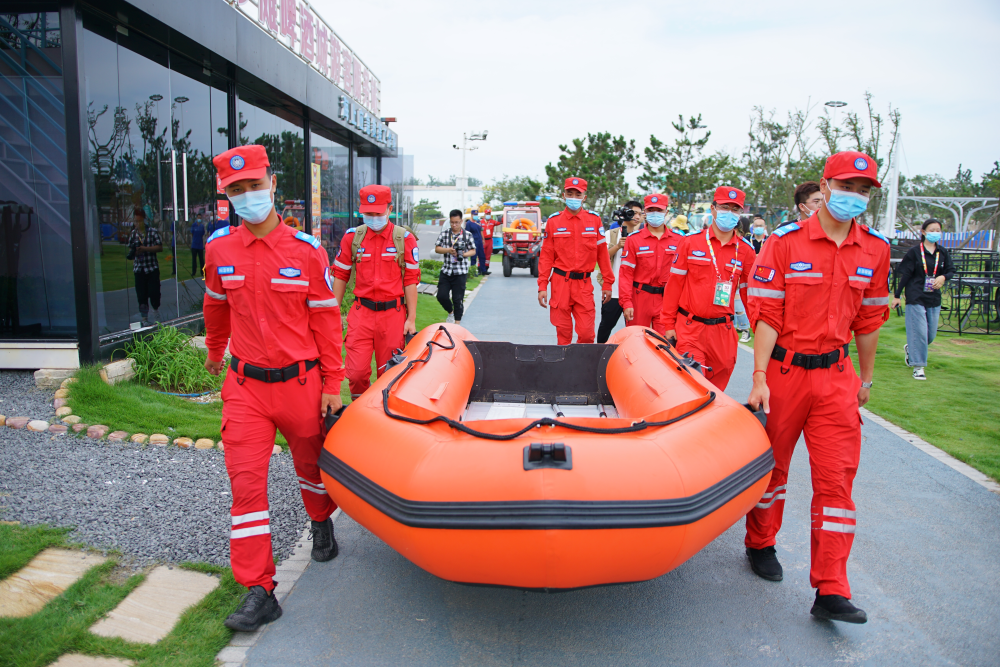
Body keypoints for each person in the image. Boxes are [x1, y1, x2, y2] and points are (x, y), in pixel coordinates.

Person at [743, 150, 891, 624]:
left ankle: (832, 586)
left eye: (864, 191)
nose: (855, 197)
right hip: (783, 373)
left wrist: (865, 379)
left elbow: (869, 320)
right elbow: (765, 314)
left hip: (836, 377)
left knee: (837, 480)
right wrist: (760, 377)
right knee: (772, 469)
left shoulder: (875, 249)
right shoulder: (784, 243)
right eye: (847, 187)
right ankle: (760, 542)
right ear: (824, 187)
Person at [203, 144, 343, 632]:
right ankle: (259, 589)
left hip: (300, 385)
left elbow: (326, 321)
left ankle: (321, 519)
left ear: (272, 185)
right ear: (227, 195)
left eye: (253, 186)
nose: (247, 196)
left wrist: (333, 381)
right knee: (246, 486)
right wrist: (215, 351)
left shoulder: (306, 251)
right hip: (244, 387)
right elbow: (215, 306)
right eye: (236, 190)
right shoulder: (219, 249)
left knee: (310, 466)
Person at [661, 186, 757, 390]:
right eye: (724, 207)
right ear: (713, 209)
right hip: (690, 329)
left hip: (724, 332)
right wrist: (668, 324)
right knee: (693, 386)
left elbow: (750, 295)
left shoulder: (747, 252)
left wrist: (759, 328)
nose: (729, 213)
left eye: (735, 209)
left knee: (716, 391)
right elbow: (674, 286)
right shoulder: (690, 243)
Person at [332, 184, 420, 397]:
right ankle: (360, 415)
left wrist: (412, 319)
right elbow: (341, 274)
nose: (373, 218)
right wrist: (333, 313)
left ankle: (384, 418)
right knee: (356, 373)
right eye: (367, 214)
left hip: (393, 316)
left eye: (378, 213)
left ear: (390, 209)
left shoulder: (404, 240)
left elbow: (410, 280)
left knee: (389, 374)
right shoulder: (352, 238)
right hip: (361, 314)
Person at [537, 177, 614, 344]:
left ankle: (582, 368)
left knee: (587, 335)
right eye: (569, 193)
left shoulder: (594, 221)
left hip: (584, 285)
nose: (573, 197)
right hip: (560, 284)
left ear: (584, 197)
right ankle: (564, 369)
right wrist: (542, 286)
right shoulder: (554, 221)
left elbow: (602, 254)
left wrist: (608, 283)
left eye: (577, 194)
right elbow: (546, 257)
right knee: (563, 334)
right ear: (563, 195)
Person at [892, 218, 955, 380]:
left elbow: (951, 270)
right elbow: (905, 275)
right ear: (924, 232)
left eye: (938, 230)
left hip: (933, 297)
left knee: (930, 335)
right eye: (932, 230)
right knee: (919, 332)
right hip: (915, 295)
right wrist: (897, 295)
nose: (935, 233)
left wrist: (943, 277)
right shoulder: (914, 252)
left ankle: (912, 348)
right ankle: (918, 367)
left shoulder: (942, 252)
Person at [618, 194, 684, 334]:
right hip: (640, 298)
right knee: (636, 341)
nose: (655, 213)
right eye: (651, 210)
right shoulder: (634, 240)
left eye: (659, 210)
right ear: (645, 213)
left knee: (665, 344)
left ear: (666, 212)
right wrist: (627, 302)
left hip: (666, 300)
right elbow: (626, 274)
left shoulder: (679, 240)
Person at [597, 200, 644, 343]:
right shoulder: (610, 234)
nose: (637, 217)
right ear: (625, 213)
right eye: (633, 213)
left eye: (640, 214)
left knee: (636, 331)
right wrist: (618, 246)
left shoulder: (642, 236)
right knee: (605, 327)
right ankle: (599, 355)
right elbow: (601, 258)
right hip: (613, 291)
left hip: (633, 293)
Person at [435, 210, 478, 325]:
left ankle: (457, 324)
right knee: (441, 296)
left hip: (460, 272)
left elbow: (473, 251)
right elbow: (437, 248)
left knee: (457, 299)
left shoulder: (467, 235)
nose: (454, 225)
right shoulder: (445, 234)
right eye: (452, 222)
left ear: (461, 221)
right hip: (447, 270)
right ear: (449, 221)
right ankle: (450, 312)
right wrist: (448, 250)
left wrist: (463, 254)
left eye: (457, 222)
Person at [128, 208, 163, 324]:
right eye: (136, 221)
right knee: (141, 295)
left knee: (154, 293)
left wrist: (145, 249)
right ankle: (144, 318)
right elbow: (129, 250)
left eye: (140, 221)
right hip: (139, 268)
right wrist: (135, 252)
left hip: (151, 267)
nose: (138, 224)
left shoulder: (152, 232)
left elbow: (159, 247)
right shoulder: (133, 234)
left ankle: (156, 312)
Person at [465, 209, 489, 276]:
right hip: (473, 242)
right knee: (473, 257)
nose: (475, 216)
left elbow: (481, 230)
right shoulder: (469, 223)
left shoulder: (478, 222)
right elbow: (467, 233)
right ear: (471, 215)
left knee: (482, 256)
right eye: (474, 215)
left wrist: (483, 239)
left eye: (476, 215)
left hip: (479, 241)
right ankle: (473, 271)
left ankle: (483, 271)